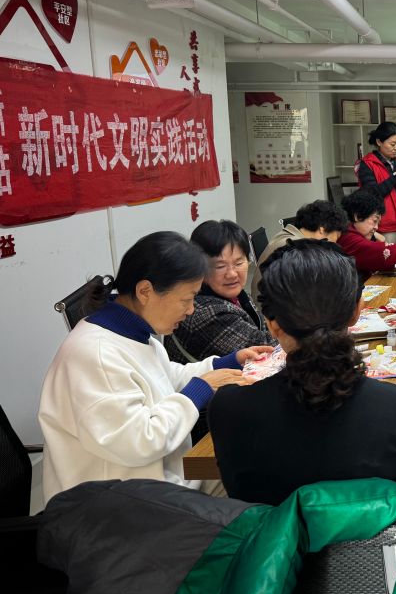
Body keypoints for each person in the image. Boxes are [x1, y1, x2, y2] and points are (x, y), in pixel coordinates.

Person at [208, 240, 396, 511]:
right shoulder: (393, 405)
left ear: (272, 325)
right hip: (373, 548)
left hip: (270, 546)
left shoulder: (227, 407)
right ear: (357, 311)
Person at [38, 231, 270, 503]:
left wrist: (228, 362)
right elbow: (140, 440)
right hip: (116, 508)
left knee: (255, 473)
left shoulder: (134, 333)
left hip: (160, 485)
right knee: (260, 485)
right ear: (145, 291)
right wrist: (201, 389)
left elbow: (167, 377)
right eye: (186, 299)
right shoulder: (94, 355)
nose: (191, 310)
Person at [168, 220, 276, 364]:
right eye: (220, 266)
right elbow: (268, 350)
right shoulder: (206, 313)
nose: (231, 274)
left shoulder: (233, 295)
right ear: (199, 267)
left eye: (238, 263)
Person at [250, 199, 348, 300]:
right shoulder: (294, 248)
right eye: (336, 237)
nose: (334, 244)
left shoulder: (290, 235)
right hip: (272, 307)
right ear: (322, 229)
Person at [356, 121, 396, 243]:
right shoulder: (367, 164)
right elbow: (371, 195)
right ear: (379, 142)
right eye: (392, 144)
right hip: (384, 229)